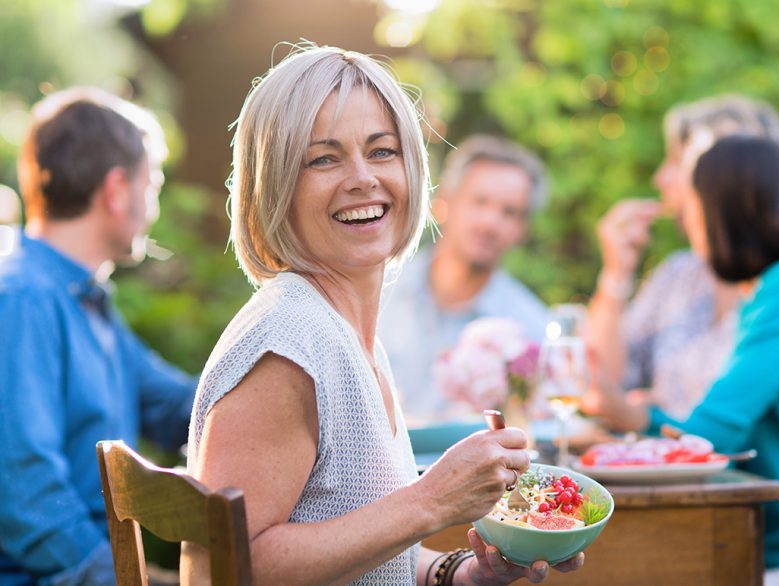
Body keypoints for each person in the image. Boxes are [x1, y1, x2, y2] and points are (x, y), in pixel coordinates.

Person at [181, 46, 583, 585]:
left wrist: (459, 573)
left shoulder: (345, 332)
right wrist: (431, 501)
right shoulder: (287, 346)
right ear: (276, 184)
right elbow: (225, 570)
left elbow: (352, 549)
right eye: (324, 158)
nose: (362, 178)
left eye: (382, 151)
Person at [586, 135, 779, 586]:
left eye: (694, 207)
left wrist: (627, 413)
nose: (688, 225)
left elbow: (712, 435)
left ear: (724, 211)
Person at [0, 88, 197, 585]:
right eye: (150, 185)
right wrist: (128, 579)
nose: (151, 207)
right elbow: (22, 487)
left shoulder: (83, 299)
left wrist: (289, 395)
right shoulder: (24, 300)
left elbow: (176, 406)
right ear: (116, 190)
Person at [588, 95, 779, 419]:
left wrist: (641, 416)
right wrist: (616, 274)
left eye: (675, 162)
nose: (660, 178)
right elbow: (601, 386)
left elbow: (727, 424)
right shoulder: (678, 274)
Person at [378, 135, 549, 422]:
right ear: (442, 202)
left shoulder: (531, 329)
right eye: (479, 202)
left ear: (522, 230)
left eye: (509, 212)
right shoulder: (376, 293)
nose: (490, 223)